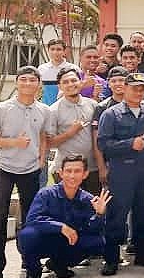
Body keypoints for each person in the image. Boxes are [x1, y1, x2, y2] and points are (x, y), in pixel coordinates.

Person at [0, 66, 51, 278]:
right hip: (4, 166)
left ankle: (30, 264)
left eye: (33, 80)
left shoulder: (43, 110)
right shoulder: (2, 109)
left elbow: (43, 135)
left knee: (30, 219)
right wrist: (14, 143)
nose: (28, 84)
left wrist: (41, 160)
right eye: (23, 79)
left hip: (30, 168)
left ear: (38, 84)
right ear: (17, 83)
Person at [96, 72, 144, 275]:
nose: (138, 92)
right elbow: (103, 144)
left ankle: (142, 254)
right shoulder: (111, 114)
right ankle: (110, 258)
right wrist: (129, 144)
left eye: (142, 88)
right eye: (134, 87)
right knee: (117, 215)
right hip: (121, 171)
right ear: (125, 88)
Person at [16, 155, 111, 278]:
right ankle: (33, 273)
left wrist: (99, 214)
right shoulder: (46, 194)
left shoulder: (88, 199)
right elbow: (32, 219)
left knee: (97, 241)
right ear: (61, 173)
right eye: (68, 171)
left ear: (85, 174)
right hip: (44, 240)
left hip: (66, 242)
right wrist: (61, 227)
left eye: (77, 171)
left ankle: (59, 264)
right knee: (27, 235)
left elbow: (93, 230)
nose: (72, 176)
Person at [46, 67, 99, 195]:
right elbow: (49, 143)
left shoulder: (93, 105)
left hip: (92, 169)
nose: (70, 84)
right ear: (59, 86)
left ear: (80, 82)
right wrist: (71, 132)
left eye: (73, 80)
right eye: (65, 82)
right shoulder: (53, 110)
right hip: (67, 171)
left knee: (92, 209)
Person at [90, 66, 127, 187]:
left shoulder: (139, 105)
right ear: (108, 84)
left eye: (122, 80)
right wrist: (101, 167)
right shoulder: (102, 107)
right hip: (110, 162)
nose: (118, 84)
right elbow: (97, 139)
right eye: (114, 81)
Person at [37, 39, 77, 105]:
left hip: (68, 107)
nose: (55, 52)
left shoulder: (73, 68)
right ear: (48, 51)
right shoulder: (41, 69)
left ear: (64, 51)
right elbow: (39, 90)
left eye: (59, 49)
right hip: (47, 108)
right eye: (52, 49)